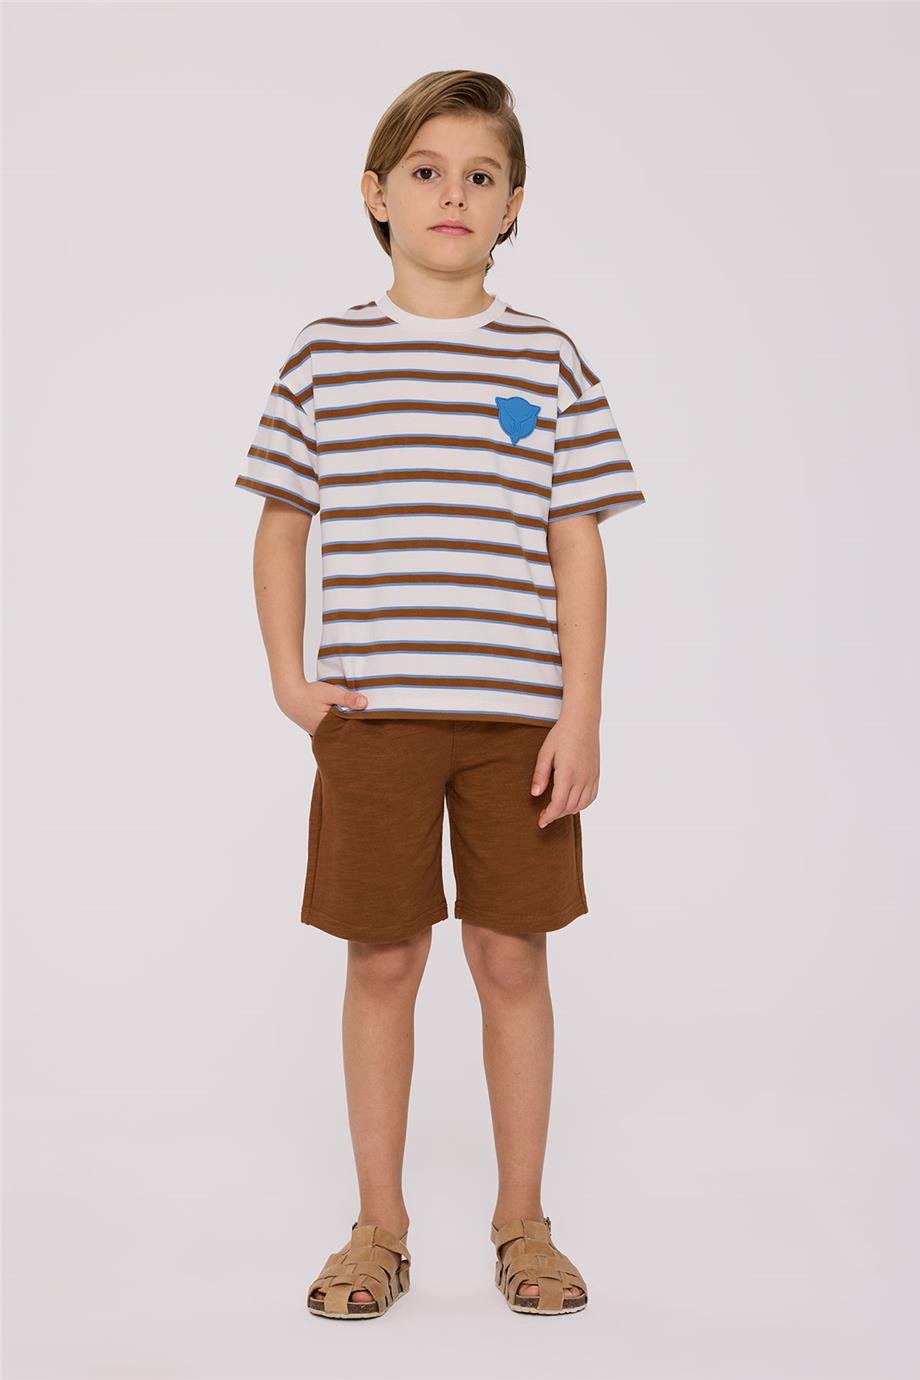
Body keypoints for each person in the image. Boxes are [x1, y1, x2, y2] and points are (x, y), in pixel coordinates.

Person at [233, 70, 646, 1319]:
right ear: (377, 193)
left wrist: (580, 711)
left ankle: (523, 1223)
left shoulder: (546, 357)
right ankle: (379, 1228)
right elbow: (281, 520)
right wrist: (290, 682)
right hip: (373, 720)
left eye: (479, 175)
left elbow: (576, 538)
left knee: (510, 957)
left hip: (517, 721)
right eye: (425, 171)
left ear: (513, 204)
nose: (451, 193)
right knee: (382, 959)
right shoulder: (327, 353)